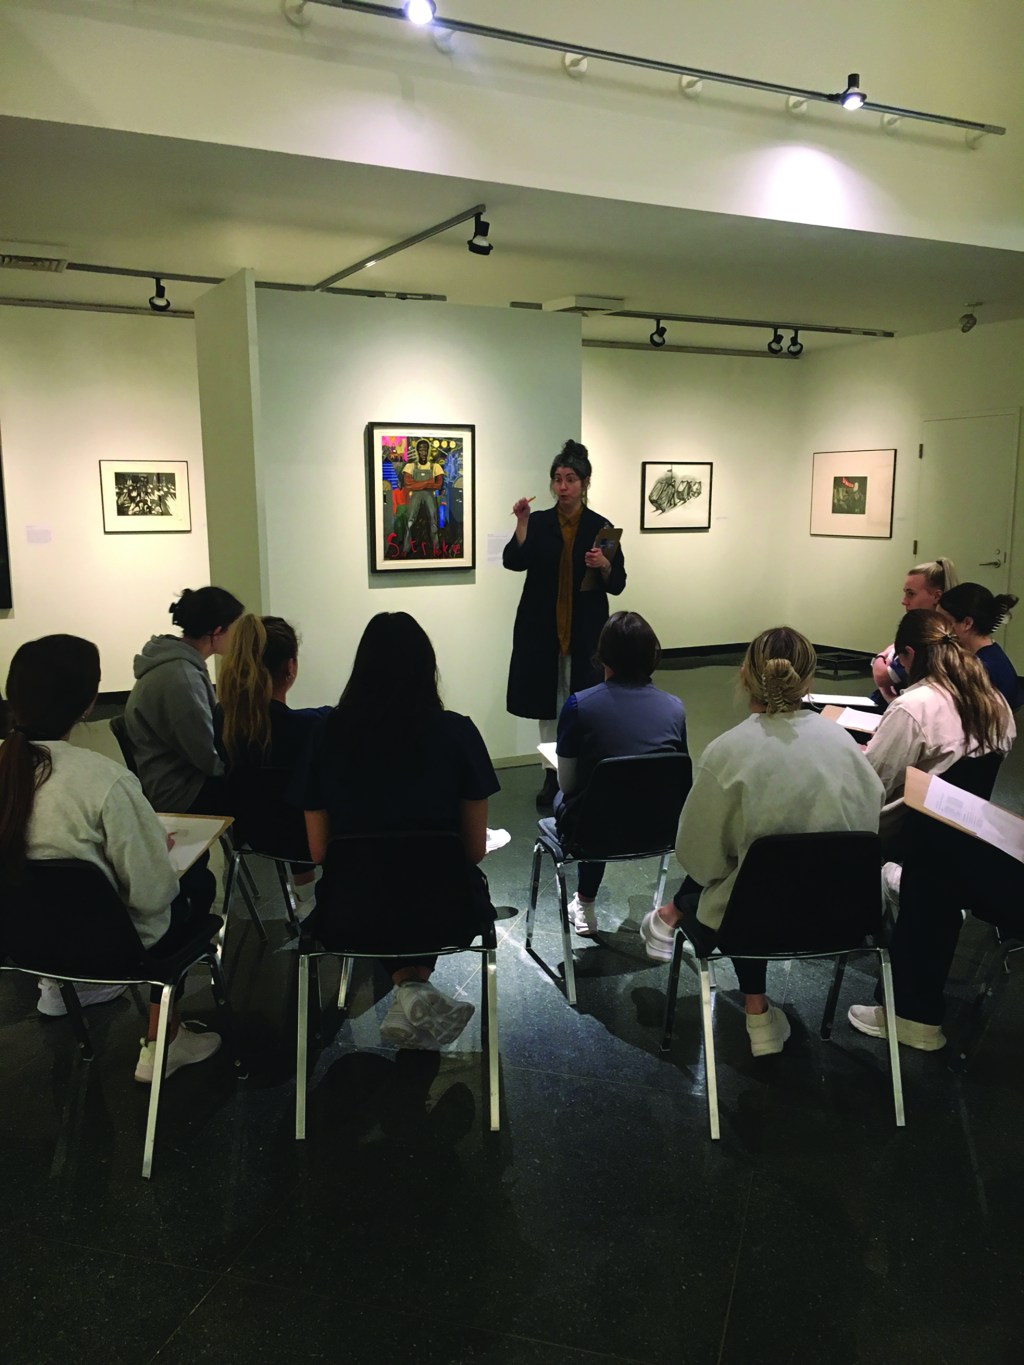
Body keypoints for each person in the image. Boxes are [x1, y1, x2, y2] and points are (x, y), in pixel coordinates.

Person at [640, 627, 884, 1057]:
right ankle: (757, 1011)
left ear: (743, 675)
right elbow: (868, 824)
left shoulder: (727, 752)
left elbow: (699, 860)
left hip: (751, 921)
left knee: (741, 884)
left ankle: (755, 1010)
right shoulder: (846, 746)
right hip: (845, 915)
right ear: (808, 681)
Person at [0, 635, 221, 1079]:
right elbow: (153, 894)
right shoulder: (105, 782)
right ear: (88, 702)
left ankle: (60, 989)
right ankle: (164, 1039)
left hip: (19, 944)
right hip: (113, 949)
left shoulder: (11, 769)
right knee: (197, 885)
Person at [294, 612, 499, 1049]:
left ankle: (410, 991)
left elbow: (316, 850)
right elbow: (475, 849)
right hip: (446, 909)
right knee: (420, 873)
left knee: (385, 876)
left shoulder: (326, 734)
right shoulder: (457, 732)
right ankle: (413, 989)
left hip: (350, 911)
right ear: (428, 667)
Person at [545, 611, 687, 935]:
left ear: (603, 655)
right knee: (608, 802)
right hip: (660, 830)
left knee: (584, 803)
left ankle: (585, 904)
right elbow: (678, 777)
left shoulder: (580, 705)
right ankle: (584, 901)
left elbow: (567, 783)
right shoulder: (675, 708)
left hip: (595, 833)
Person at [504, 439, 627, 808]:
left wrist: (603, 565)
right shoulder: (538, 522)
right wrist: (522, 522)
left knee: (581, 703)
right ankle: (551, 775)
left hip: (585, 629)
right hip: (542, 628)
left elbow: (618, 583)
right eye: (557, 479)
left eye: (570, 479)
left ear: (585, 483)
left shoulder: (600, 527)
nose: (562, 487)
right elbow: (514, 559)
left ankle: (580, 773)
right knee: (548, 706)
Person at [215, 614, 331, 919]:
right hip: (308, 840)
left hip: (252, 833)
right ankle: (310, 902)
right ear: (290, 667)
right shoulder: (311, 727)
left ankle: (306, 901)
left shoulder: (222, 721)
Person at [863, 609, 1015, 818]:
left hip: (901, 829)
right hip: (964, 822)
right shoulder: (995, 700)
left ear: (911, 653)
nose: (904, 668)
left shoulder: (911, 709)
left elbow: (871, 786)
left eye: (901, 659)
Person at [124, 586, 243, 814]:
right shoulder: (181, 678)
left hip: (177, 782)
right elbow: (208, 756)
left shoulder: (179, 667)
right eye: (235, 629)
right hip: (181, 792)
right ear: (217, 631)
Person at [870, 557, 958, 706]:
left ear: (937, 596)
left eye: (911, 594)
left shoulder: (927, 638)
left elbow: (881, 677)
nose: (904, 601)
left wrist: (881, 656)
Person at [938, 582, 1022, 709]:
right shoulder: (992, 652)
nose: (939, 628)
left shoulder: (980, 668)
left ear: (967, 623)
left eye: (944, 622)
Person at [402, 439, 444, 556]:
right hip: (415, 496)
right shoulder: (410, 466)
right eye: (420, 449)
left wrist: (417, 484)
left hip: (429, 496)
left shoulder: (435, 466)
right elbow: (408, 484)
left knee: (433, 520)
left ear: (429, 450)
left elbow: (438, 485)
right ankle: (405, 549)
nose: (423, 452)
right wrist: (428, 483)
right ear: (417, 451)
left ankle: (436, 548)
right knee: (410, 521)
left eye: (425, 449)